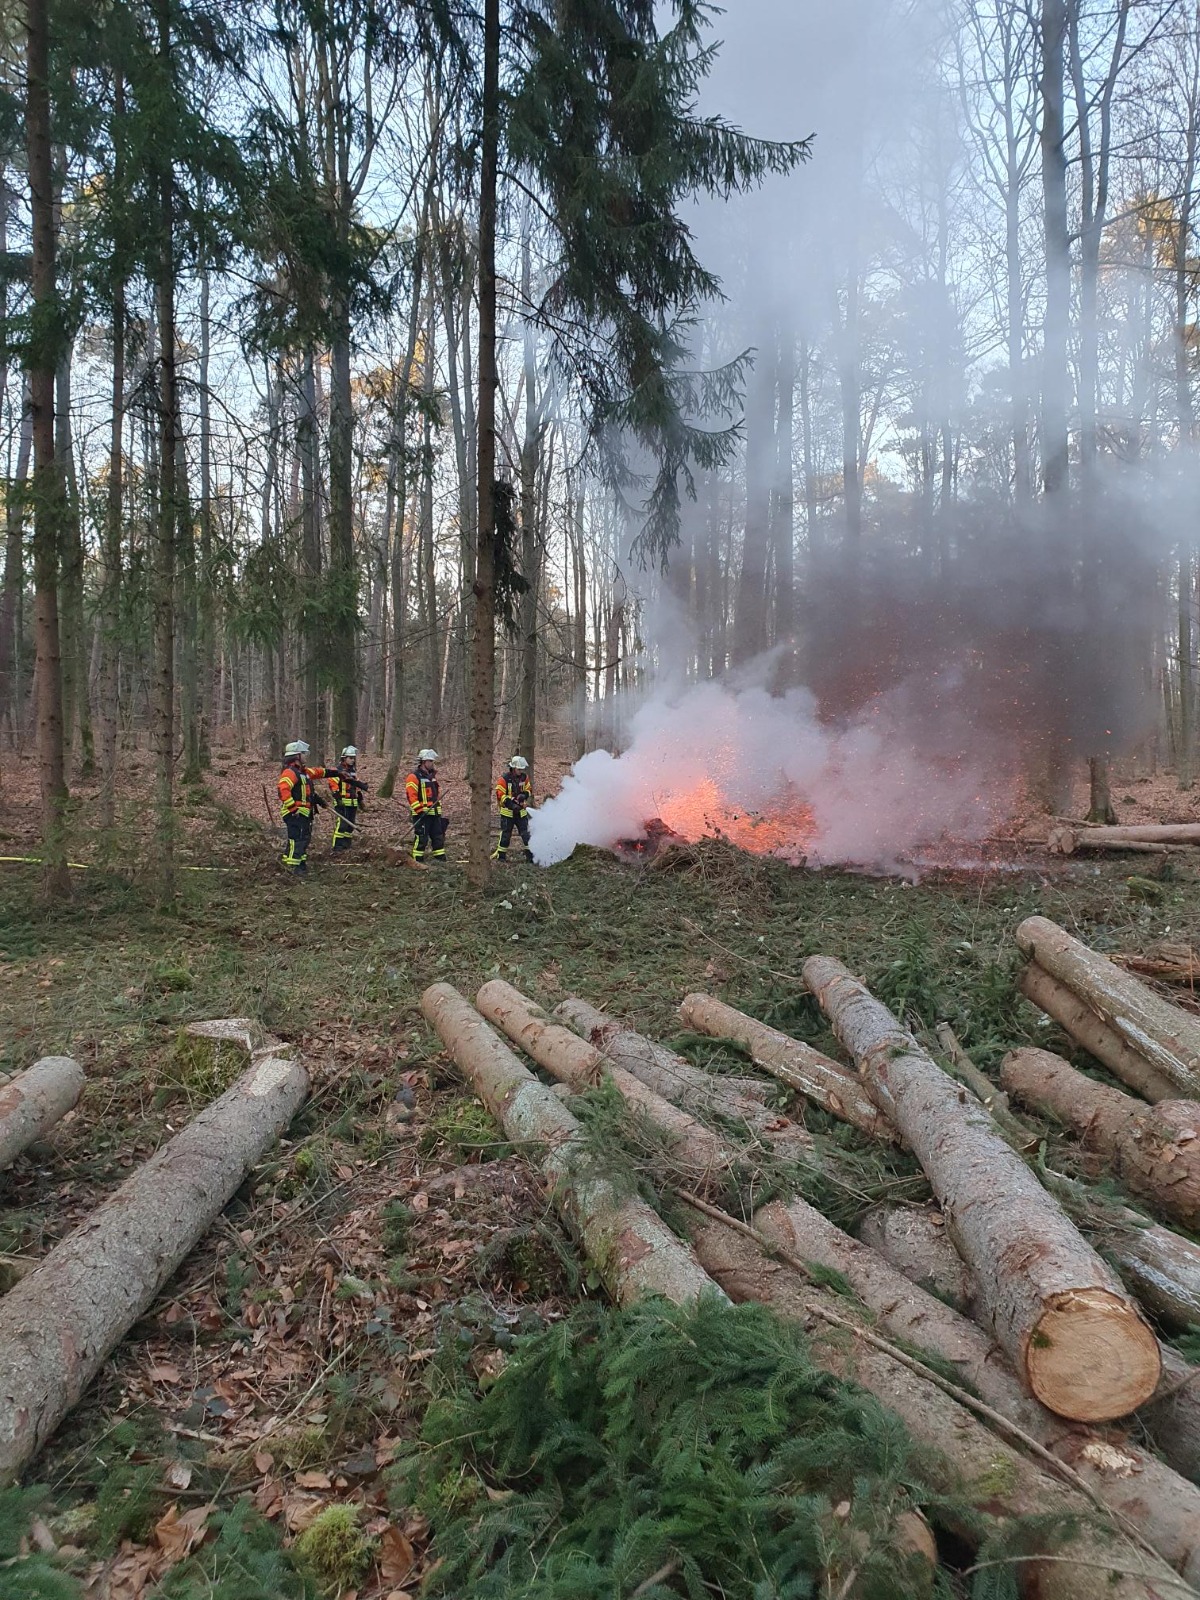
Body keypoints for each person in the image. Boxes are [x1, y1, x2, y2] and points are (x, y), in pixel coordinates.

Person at [278, 740, 332, 875]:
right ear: (296, 756)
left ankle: (298, 864)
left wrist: (319, 801)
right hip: (295, 814)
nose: (306, 756)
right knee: (297, 840)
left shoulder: (303, 772)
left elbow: (313, 781)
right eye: (303, 753)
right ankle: (294, 867)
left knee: (303, 839)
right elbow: (283, 790)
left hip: (304, 813)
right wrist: (293, 809)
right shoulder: (290, 772)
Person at [405, 749, 447, 863]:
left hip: (434, 813)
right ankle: (417, 860)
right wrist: (419, 810)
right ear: (423, 762)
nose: (432, 763)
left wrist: (438, 809)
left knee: (438, 836)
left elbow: (435, 795)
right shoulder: (413, 777)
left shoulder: (432, 776)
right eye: (430, 761)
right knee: (421, 838)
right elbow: (411, 796)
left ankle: (440, 859)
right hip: (422, 814)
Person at [494, 755, 534, 861]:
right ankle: (501, 857)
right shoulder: (504, 779)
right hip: (507, 813)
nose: (520, 771)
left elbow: (529, 789)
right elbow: (500, 794)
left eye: (522, 769)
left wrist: (524, 795)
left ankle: (531, 857)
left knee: (526, 834)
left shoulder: (524, 777)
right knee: (506, 835)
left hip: (521, 812)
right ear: (513, 767)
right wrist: (511, 805)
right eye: (519, 769)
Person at [328, 746, 369, 851]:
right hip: (342, 802)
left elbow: (356, 786)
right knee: (342, 825)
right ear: (344, 758)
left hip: (353, 802)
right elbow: (332, 784)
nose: (352, 760)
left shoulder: (353, 771)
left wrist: (360, 799)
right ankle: (337, 847)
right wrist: (337, 797)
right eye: (350, 758)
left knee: (350, 826)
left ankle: (346, 845)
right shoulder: (337, 770)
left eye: (353, 758)